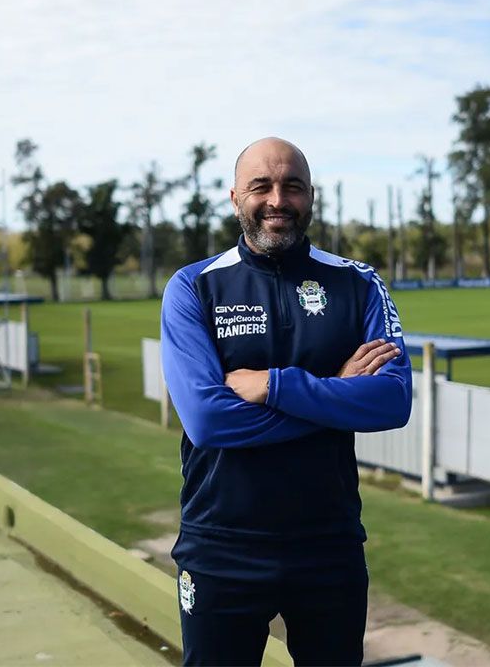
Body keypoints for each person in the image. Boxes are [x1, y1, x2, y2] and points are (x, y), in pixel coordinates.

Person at [160, 137, 412, 666]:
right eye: (261, 186)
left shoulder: (358, 283)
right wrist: (335, 394)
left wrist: (275, 386)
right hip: (220, 543)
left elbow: (391, 400)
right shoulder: (192, 288)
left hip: (327, 544)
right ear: (235, 197)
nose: (278, 199)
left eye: (292, 186)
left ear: (311, 196)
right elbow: (207, 420)